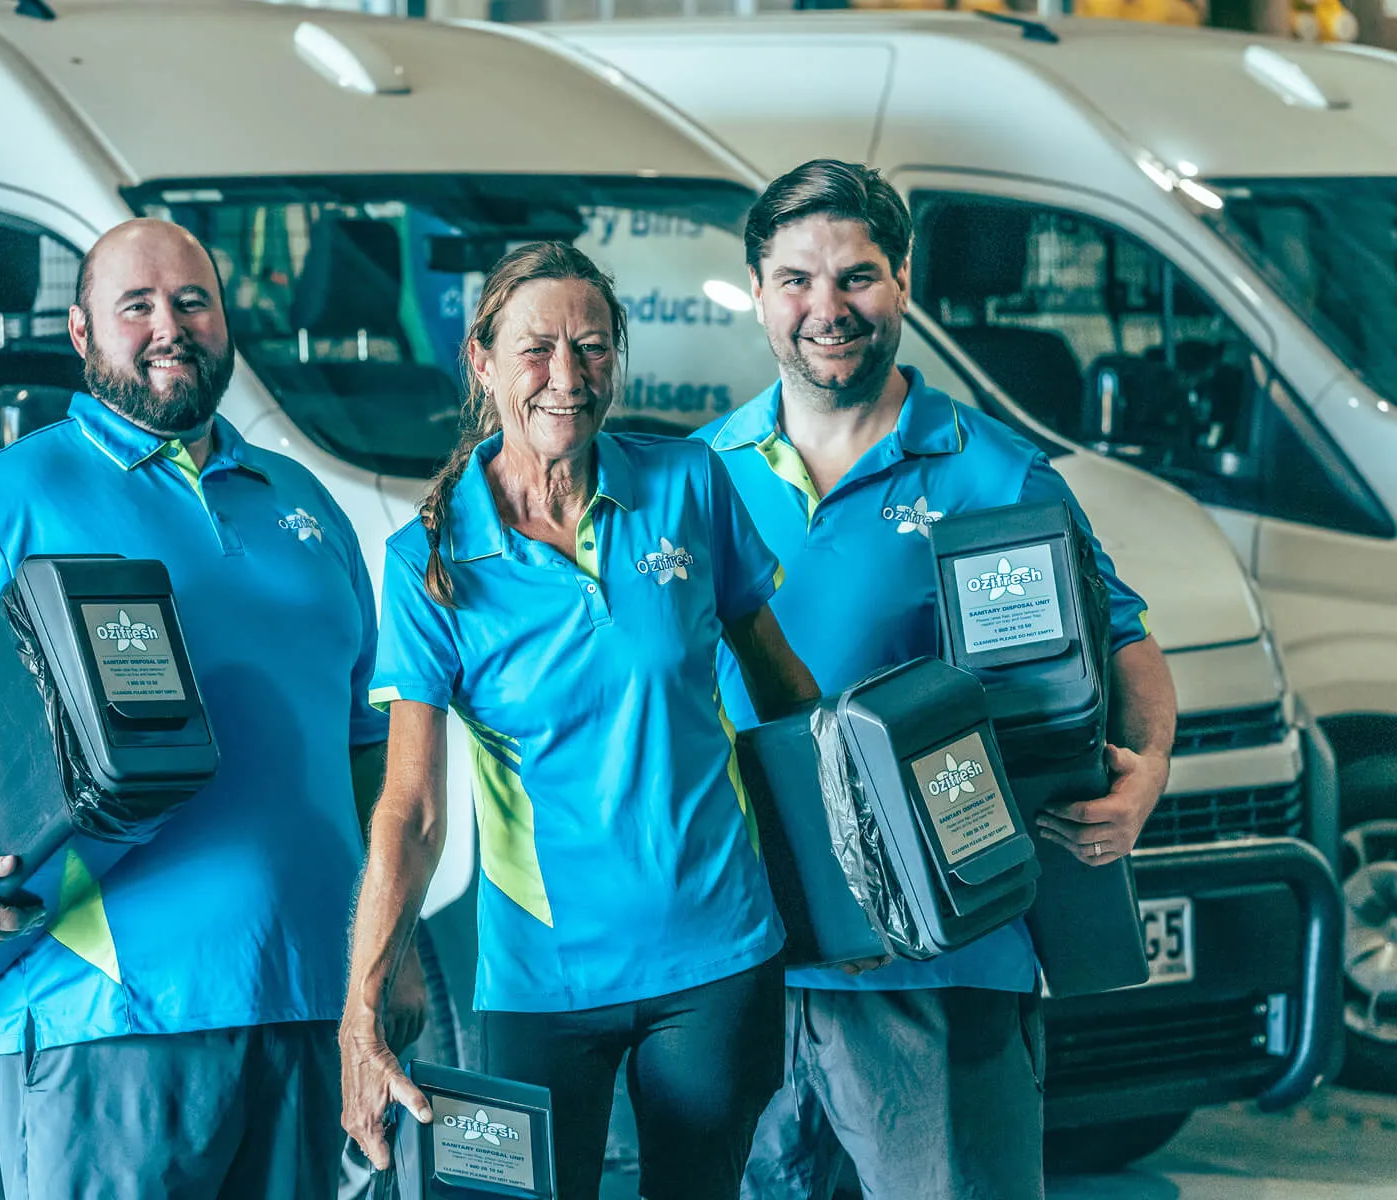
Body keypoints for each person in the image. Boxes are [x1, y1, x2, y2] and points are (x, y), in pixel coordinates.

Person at [0, 218, 402, 1200]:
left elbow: (361, 749)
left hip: (312, 1005)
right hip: (107, 1011)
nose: (170, 326)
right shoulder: (12, 496)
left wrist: (393, 952)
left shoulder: (302, 504)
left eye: (192, 302)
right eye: (138, 307)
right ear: (82, 334)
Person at [695, 161, 1178, 1200]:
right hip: (744, 966)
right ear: (757, 289)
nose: (827, 310)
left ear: (903, 281)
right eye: (795, 281)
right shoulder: (696, 478)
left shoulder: (990, 472)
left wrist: (1144, 779)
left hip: (940, 965)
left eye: (857, 278)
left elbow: (1125, 646)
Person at [338, 241, 821, 1200]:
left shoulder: (686, 487)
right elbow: (413, 811)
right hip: (540, 981)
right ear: (481, 361)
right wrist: (361, 1013)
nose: (569, 378)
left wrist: (862, 866)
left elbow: (785, 696)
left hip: (717, 954)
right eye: (538, 350)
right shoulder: (428, 562)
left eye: (594, 348)